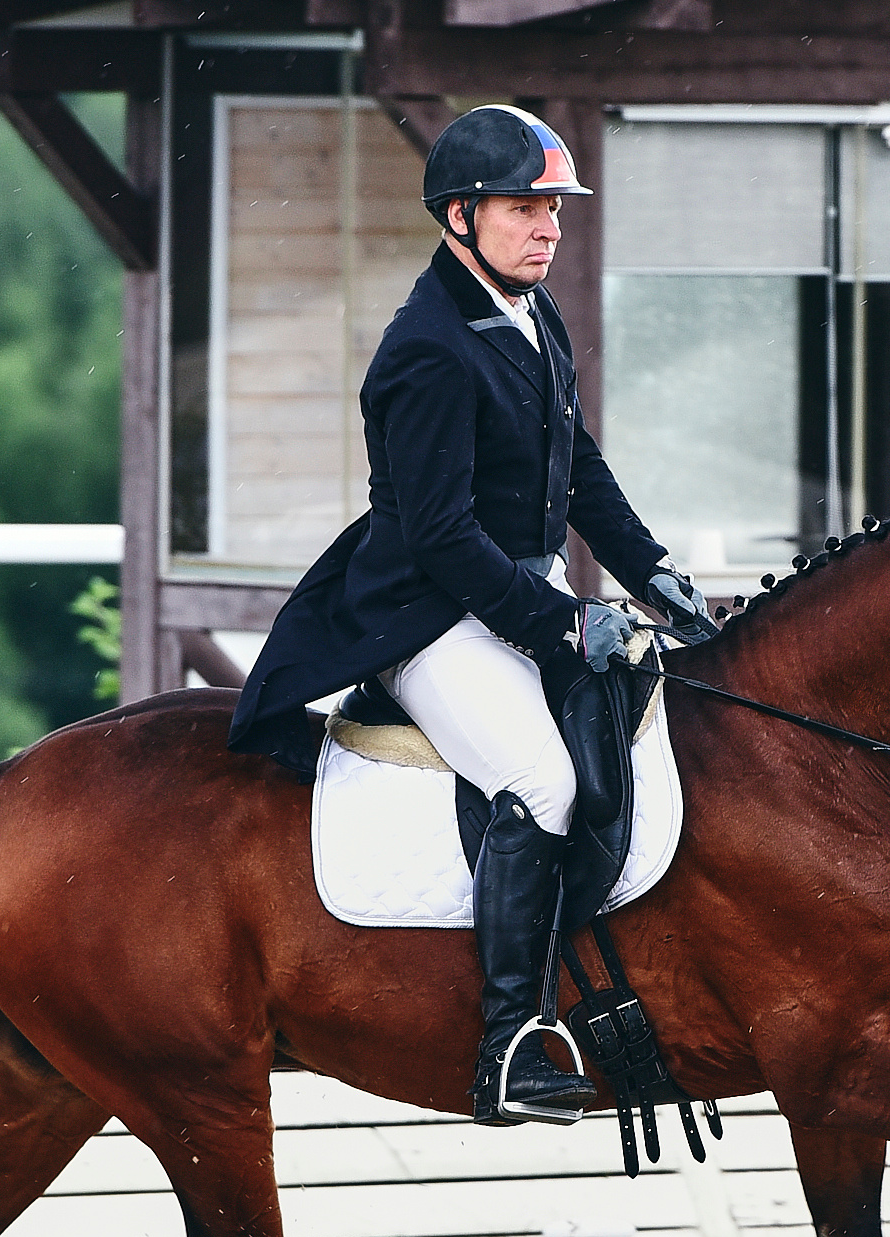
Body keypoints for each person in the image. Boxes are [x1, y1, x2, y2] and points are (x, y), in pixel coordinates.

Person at [229, 104, 707, 1129]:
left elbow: (577, 469)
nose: (549, 228)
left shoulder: (534, 314)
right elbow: (443, 537)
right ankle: (508, 1046)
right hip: (424, 614)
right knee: (538, 777)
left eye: (555, 210)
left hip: (511, 596)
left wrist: (651, 569)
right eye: (526, 207)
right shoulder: (428, 349)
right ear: (460, 215)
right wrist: (565, 624)